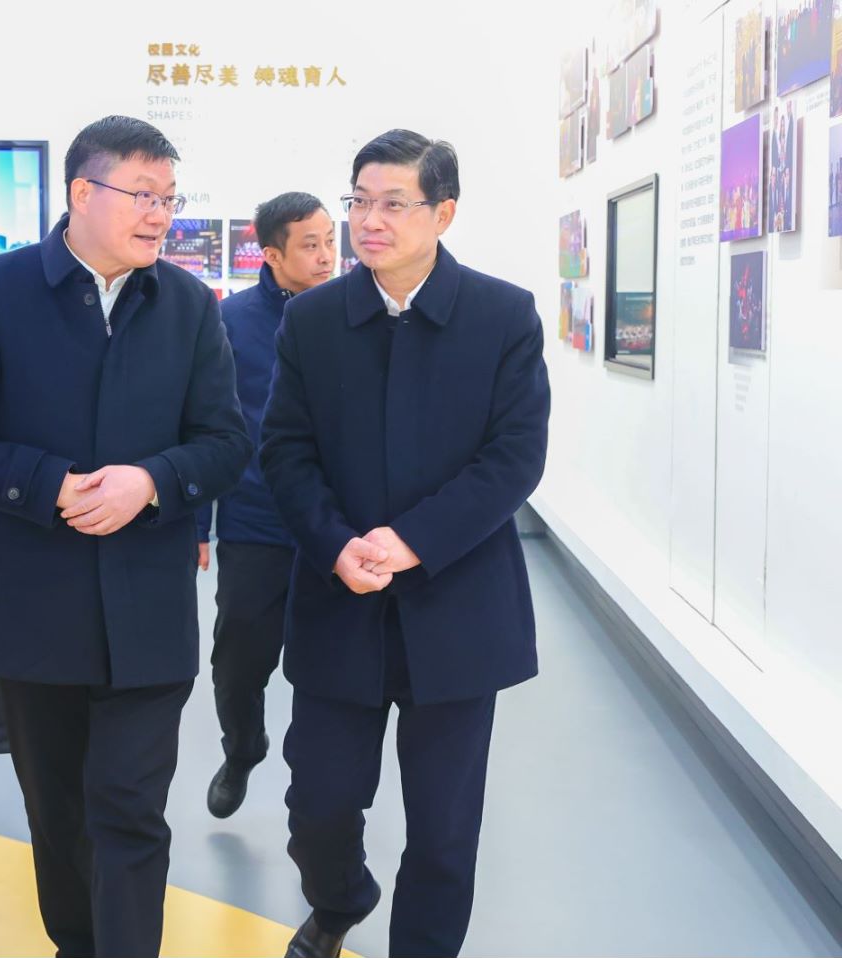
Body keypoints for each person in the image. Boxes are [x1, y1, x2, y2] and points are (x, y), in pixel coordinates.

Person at [0, 115, 250, 958]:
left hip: (149, 609)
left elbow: (226, 442)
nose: (159, 214)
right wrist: (48, 484)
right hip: (35, 606)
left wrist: (153, 481)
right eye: (142, 195)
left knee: (131, 810)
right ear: (81, 194)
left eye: (168, 198)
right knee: (59, 812)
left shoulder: (186, 305)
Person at [260, 129, 550, 958]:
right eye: (359, 201)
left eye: (393, 203)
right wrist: (335, 545)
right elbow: (285, 450)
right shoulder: (313, 320)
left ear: (443, 213)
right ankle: (340, 899)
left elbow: (514, 458)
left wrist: (414, 540)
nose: (369, 220)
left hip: (457, 607)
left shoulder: (502, 316)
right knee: (317, 805)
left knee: (444, 830)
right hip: (339, 600)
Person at [195, 192, 334, 818]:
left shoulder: (353, 314)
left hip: (335, 527)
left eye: (330, 241)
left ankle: (317, 786)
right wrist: (197, 523)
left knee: (330, 666)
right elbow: (202, 425)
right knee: (238, 663)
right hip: (256, 521)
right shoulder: (231, 322)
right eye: (310, 245)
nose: (327, 256)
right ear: (272, 255)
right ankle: (243, 747)